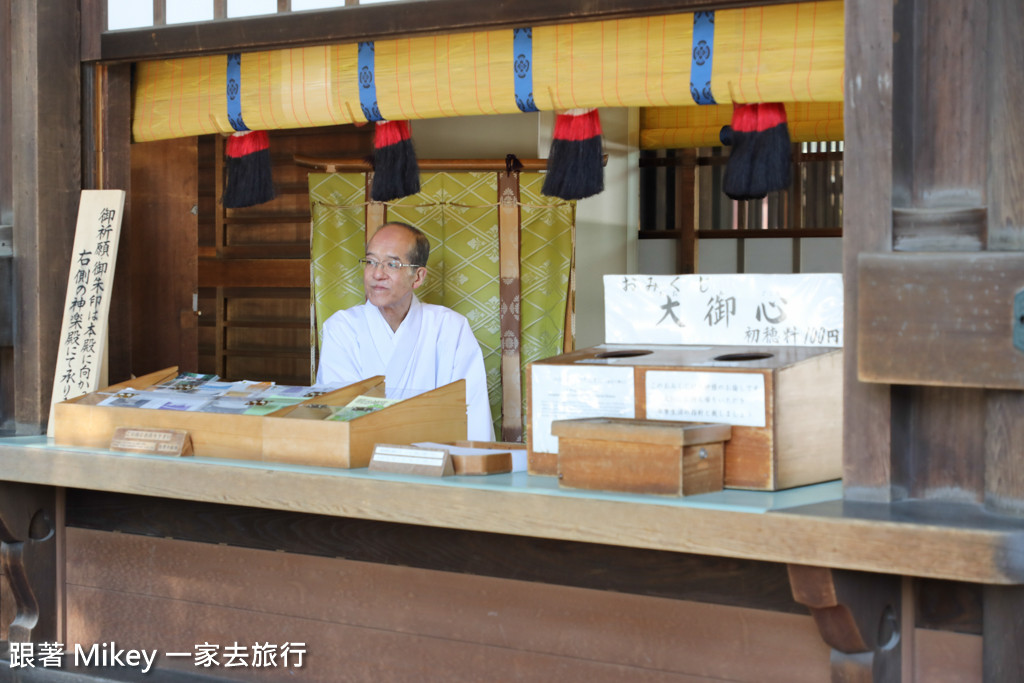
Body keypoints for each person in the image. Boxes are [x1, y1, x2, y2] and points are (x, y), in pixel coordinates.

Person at [316, 222, 495, 441]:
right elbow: (339, 410)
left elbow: (471, 413)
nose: (377, 274)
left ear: (417, 277)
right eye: (371, 262)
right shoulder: (343, 327)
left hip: (434, 461)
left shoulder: (450, 328)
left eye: (392, 264)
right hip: (361, 457)